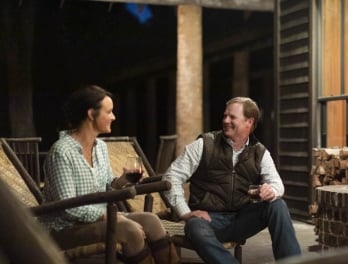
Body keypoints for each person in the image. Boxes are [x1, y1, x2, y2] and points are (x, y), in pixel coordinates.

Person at [40, 85, 179, 264]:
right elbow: (68, 208)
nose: (113, 117)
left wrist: (122, 180)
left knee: (151, 220)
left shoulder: (101, 148)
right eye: (109, 111)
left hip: (98, 219)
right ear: (91, 114)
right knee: (129, 230)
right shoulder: (61, 152)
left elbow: (106, 188)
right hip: (63, 229)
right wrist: (111, 216)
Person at [163, 97, 302, 264]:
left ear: (249, 122)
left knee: (278, 205)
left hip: (241, 218)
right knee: (194, 226)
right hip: (209, 220)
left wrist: (271, 191)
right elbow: (171, 177)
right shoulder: (204, 145)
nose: (225, 120)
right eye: (224, 116)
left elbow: (277, 184)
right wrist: (185, 213)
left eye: (232, 117)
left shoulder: (259, 152)